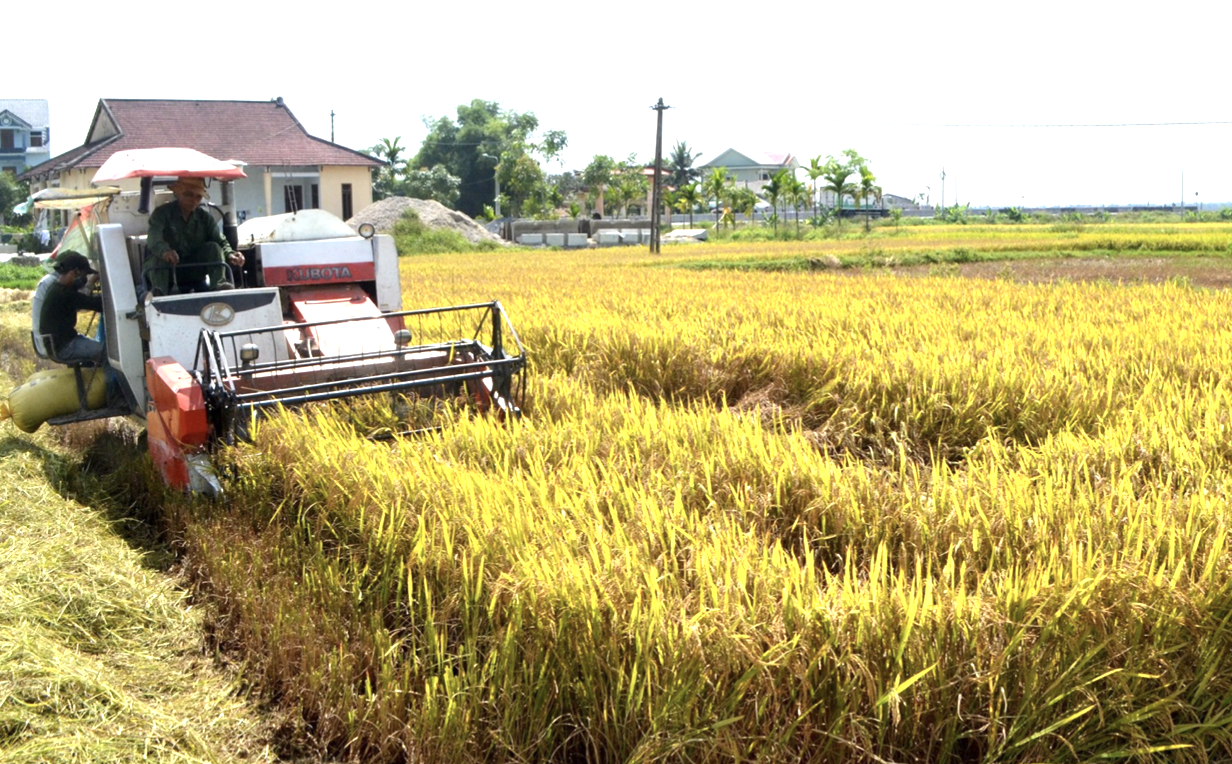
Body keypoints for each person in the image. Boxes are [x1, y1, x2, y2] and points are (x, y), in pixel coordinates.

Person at [143, 176, 244, 294]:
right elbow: (153, 240)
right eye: (189, 195)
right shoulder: (161, 214)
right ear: (178, 193)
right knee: (157, 259)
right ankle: (159, 296)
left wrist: (231, 254)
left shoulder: (204, 217)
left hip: (194, 270)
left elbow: (220, 241)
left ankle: (218, 289)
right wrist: (165, 251)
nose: (194, 200)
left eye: (198, 196)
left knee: (214, 247)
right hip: (167, 271)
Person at [38, 251, 105, 364]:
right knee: (108, 353)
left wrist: (91, 281)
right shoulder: (64, 294)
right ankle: (113, 382)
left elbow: (79, 287)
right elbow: (95, 304)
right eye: (83, 275)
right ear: (74, 273)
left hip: (61, 343)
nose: (83, 280)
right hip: (64, 347)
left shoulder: (56, 287)